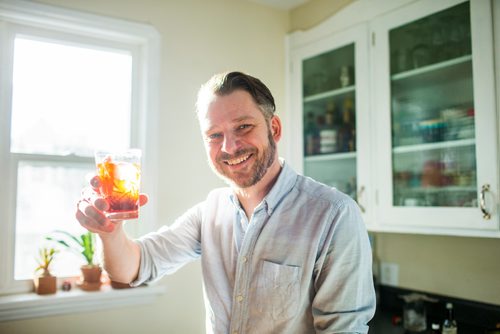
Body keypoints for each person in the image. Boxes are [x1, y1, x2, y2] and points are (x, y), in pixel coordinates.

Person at [76, 71, 376, 333]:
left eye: (243, 127)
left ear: (274, 129)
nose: (229, 147)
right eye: (214, 135)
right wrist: (110, 233)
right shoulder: (211, 212)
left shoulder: (334, 215)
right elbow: (133, 267)